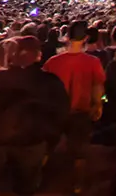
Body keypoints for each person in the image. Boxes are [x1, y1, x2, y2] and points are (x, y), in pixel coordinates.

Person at [0, 35, 69, 195]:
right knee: (26, 187)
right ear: (39, 55)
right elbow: (60, 113)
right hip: (32, 142)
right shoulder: (50, 81)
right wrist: (51, 139)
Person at [43, 20, 105, 186]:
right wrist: (98, 105)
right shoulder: (93, 62)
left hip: (56, 112)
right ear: (85, 38)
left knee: (46, 148)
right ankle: (77, 187)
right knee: (79, 153)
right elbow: (98, 86)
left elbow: (44, 86)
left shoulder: (53, 61)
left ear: (67, 37)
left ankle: (37, 180)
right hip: (80, 112)